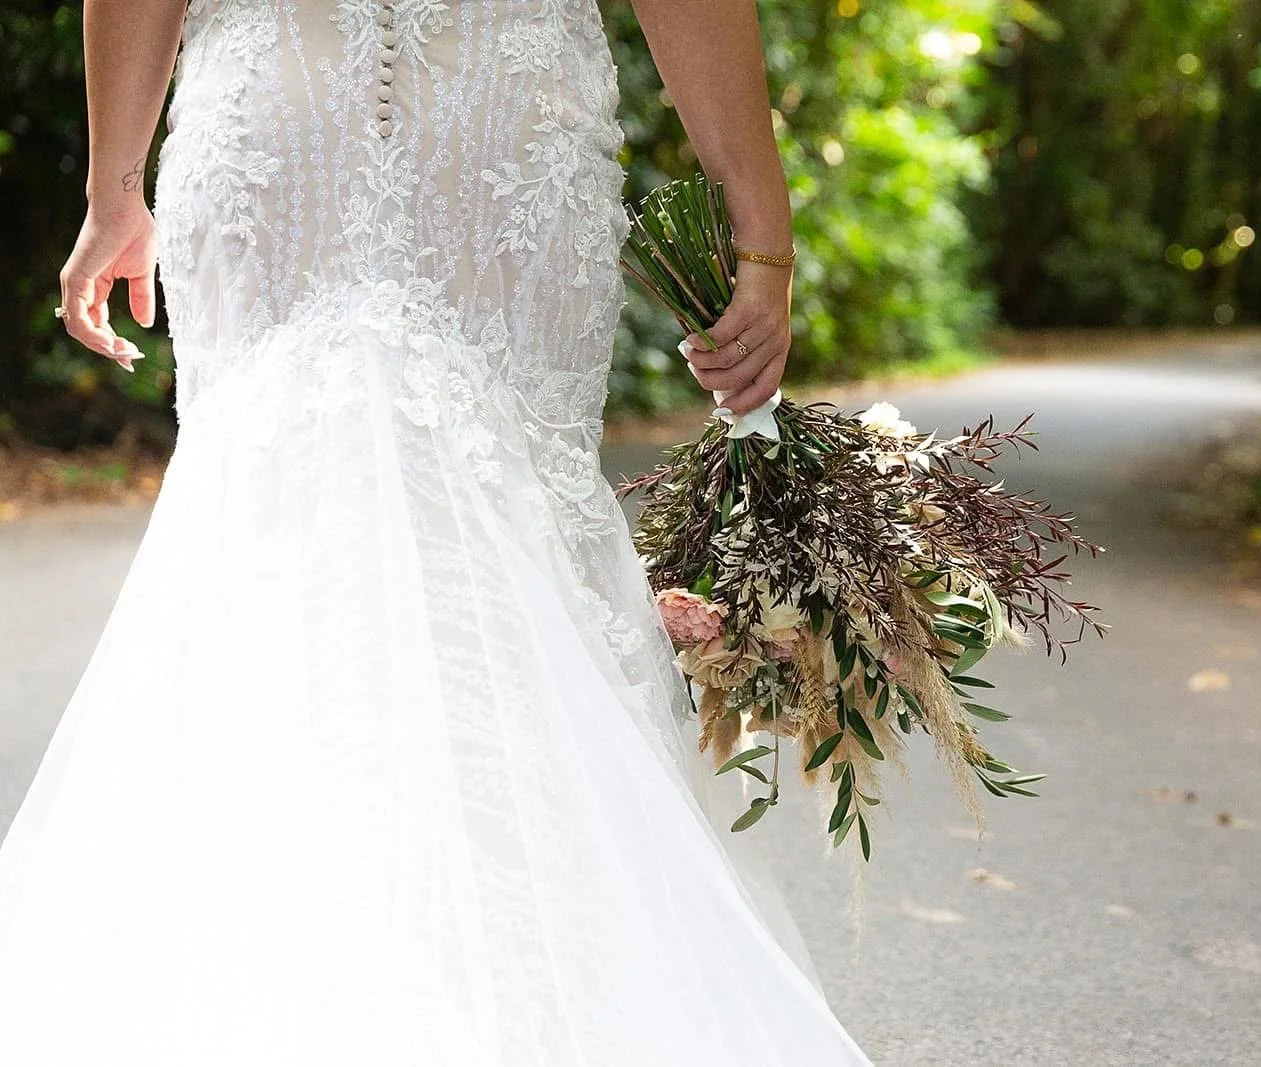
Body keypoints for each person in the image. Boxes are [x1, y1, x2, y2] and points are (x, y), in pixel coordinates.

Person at [0, 1, 870, 1062]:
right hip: (502, 132)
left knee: (269, 548)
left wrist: (113, 187)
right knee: (504, 554)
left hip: (277, 122)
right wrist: (759, 229)